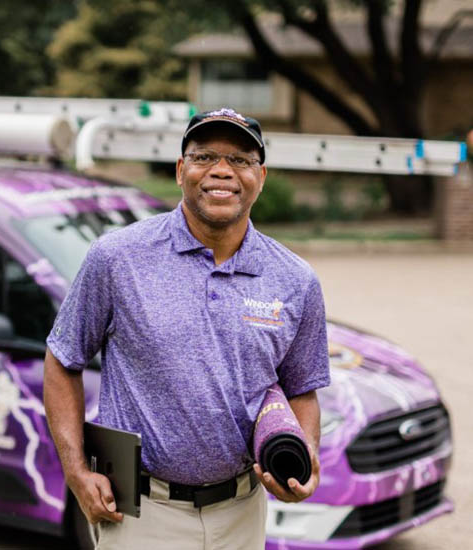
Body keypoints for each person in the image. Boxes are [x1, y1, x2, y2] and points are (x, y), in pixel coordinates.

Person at [44, 108, 331, 549]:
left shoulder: (295, 280)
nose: (221, 171)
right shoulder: (118, 258)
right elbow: (63, 359)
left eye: (240, 160)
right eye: (204, 156)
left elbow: (301, 388)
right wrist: (77, 471)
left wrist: (303, 456)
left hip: (241, 513)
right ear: (181, 171)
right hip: (140, 512)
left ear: (261, 176)